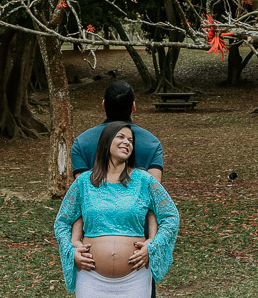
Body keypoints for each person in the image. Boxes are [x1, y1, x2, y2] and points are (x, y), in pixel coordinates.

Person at [54, 121, 179, 297]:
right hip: (91, 278)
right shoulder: (83, 182)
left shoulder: (144, 181)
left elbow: (170, 216)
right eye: (120, 136)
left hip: (135, 278)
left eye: (130, 140)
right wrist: (71, 250)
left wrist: (153, 244)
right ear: (106, 142)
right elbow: (62, 222)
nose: (127, 142)